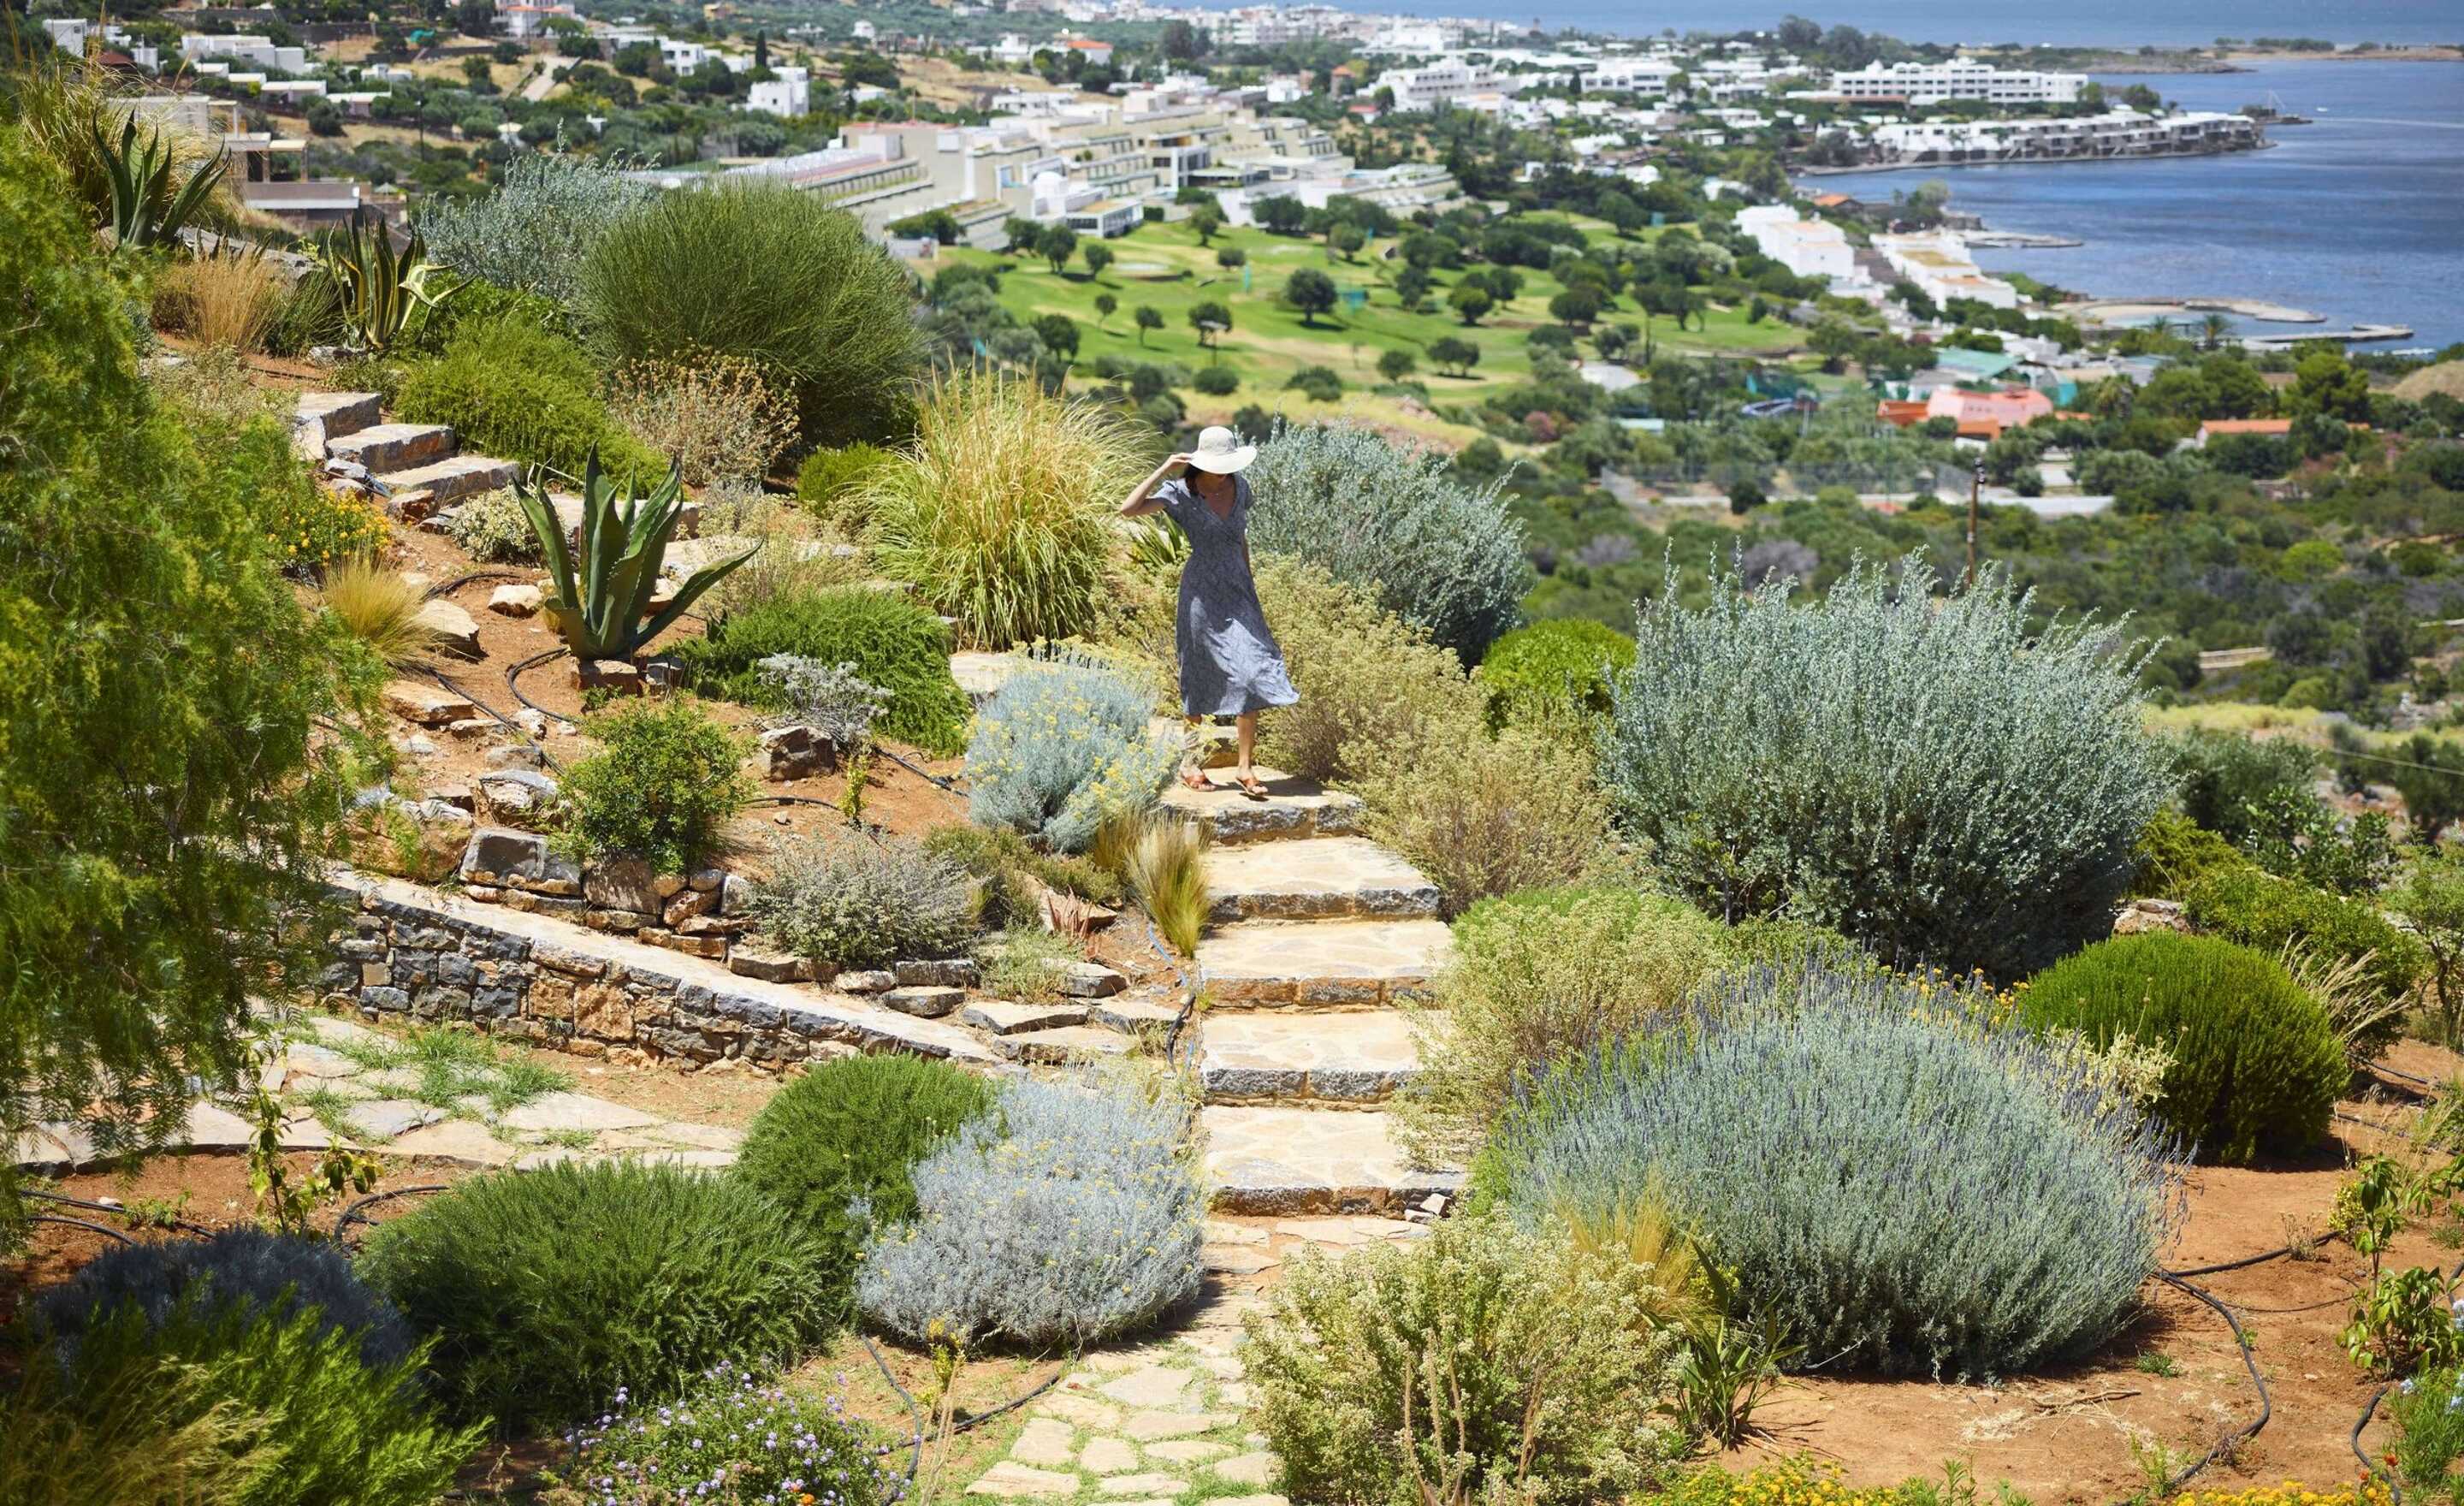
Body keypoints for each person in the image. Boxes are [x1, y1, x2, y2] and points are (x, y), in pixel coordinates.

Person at [1118, 425, 1296, 800]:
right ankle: (1190, 762)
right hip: (1199, 593)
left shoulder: (1240, 488)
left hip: (1238, 590)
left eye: (1226, 464)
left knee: (1251, 671)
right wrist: (1162, 469)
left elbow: (1240, 537)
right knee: (1197, 673)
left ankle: (1245, 767)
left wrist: (1249, 583)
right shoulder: (1181, 494)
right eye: (1216, 465)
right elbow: (1128, 509)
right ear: (1199, 462)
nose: (1222, 471)